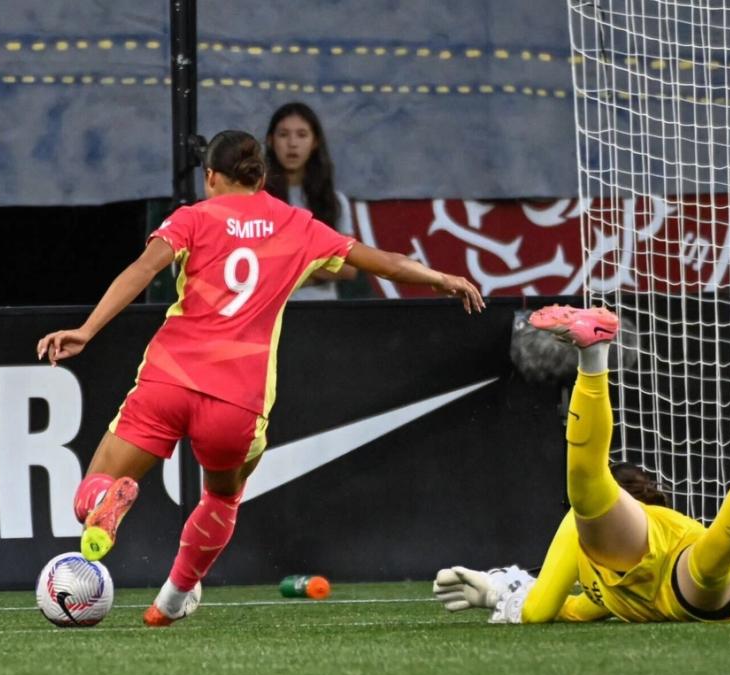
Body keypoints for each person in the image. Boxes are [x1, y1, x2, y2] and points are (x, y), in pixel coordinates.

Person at [36, 130, 484, 627]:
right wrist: (442, 278)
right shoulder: (298, 225)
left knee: (97, 481)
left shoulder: (192, 218)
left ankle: (102, 502)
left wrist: (86, 330)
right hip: (237, 399)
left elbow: (143, 269)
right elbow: (381, 263)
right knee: (222, 497)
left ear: (210, 177)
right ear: (263, 177)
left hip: (169, 379)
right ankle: (172, 598)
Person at [433, 304, 730, 624]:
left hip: (681, 583)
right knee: (711, 564)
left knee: (707, 563)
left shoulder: (583, 527)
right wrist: (496, 591)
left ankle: (593, 353)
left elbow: (538, 611)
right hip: (692, 586)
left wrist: (501, 594)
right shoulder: (608, 584)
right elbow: (573, 609)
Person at [264, 102, 365, 300]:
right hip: (270, 314)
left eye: (302, 135)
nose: (292, 143)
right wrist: (319, 265)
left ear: (315, 142)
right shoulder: (257, 200)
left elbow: (348, 269)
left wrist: (287, 265)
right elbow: (256, 265)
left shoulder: (334, 201)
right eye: (283, 135)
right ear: (270, 141)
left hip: (323, 312)